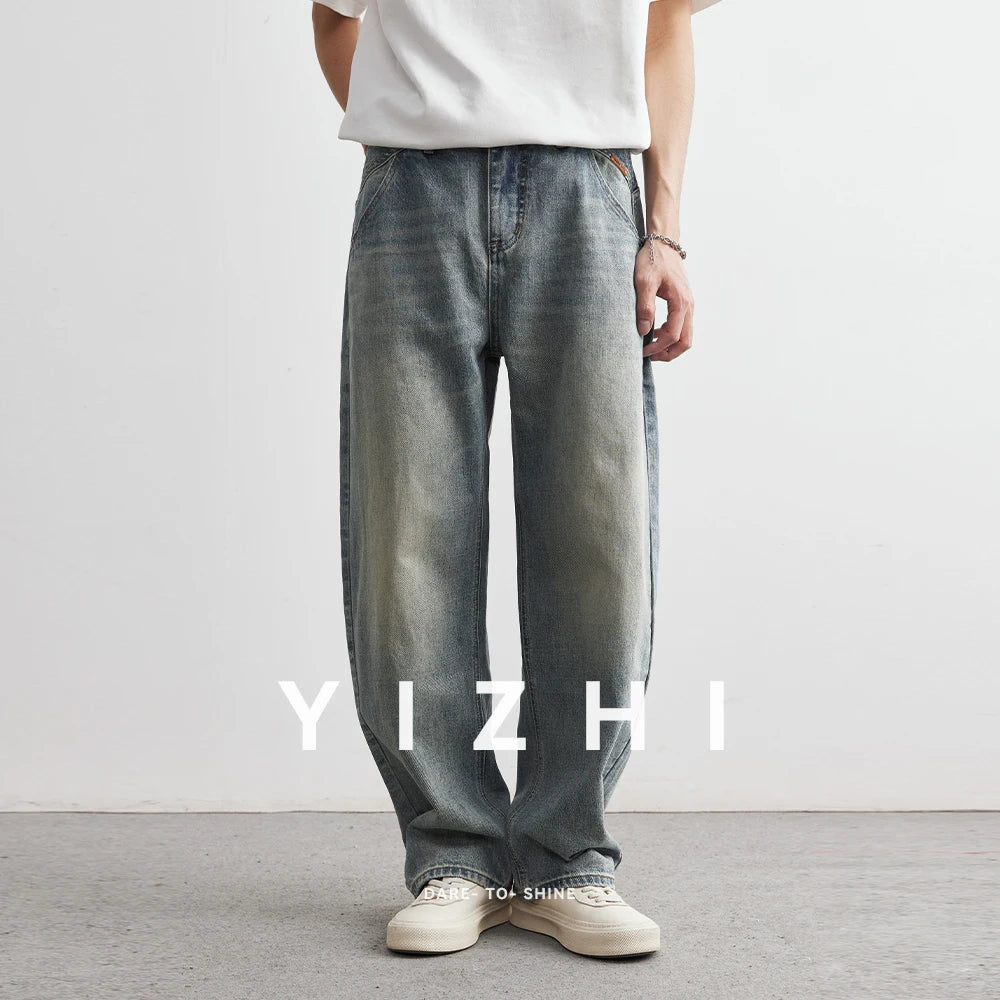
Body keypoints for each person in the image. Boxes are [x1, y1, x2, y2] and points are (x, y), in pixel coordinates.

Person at [310, 0, 721, 958]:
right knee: (407, 532)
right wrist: (420, 123)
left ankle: (566, 858)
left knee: (598, 533)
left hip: (591, 184)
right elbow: (333, 18)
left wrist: (664, 232)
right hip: (414, 193)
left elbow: (664, 27)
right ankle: (454, 851)